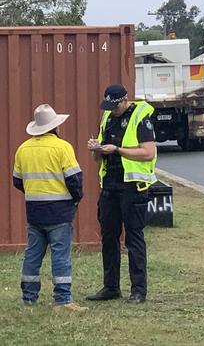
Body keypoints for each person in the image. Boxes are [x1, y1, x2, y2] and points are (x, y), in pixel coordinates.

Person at [86, 84, 157, 304]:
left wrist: (117, 149)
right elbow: (98, 159)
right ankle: (110, 287)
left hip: (133, 186)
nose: (112, 110)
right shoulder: (107, 117)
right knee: (109, 237)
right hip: (109, 185)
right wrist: (97, 149)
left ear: (125, 100)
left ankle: (138, 290)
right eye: (109, 106)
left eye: (115, 106)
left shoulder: (140, 117)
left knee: (134, 238)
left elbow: (148, 152)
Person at [13, 104, 86, 311]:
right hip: (59, 212)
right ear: (56, 127)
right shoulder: (63, 147)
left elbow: (17, 182)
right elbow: (75, 180)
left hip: (34, 211)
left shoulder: (23, 149)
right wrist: (76, 198)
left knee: (33, 254)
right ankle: (62, 299)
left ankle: (29, 298)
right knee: (60, 254)